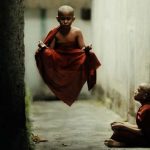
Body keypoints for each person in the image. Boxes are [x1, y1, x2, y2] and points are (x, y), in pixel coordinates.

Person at [35, 5, 101, 106]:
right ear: (58, 19)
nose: (65, 21)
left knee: (90, 55)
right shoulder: (55, 33)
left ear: (73, 19)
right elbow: (51, 51)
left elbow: (81, 48)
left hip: (73, 59)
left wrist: (86, 49)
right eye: (62, 19)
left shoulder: (77, 32)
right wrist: (44, 47)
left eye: (68, 19)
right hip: (59, 59)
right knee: (45, 52)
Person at [104, 83, 150, 147]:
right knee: (117, 126)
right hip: (144, 134)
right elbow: (142, 127)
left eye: (138, 90)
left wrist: (124, 127)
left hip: (147, 140)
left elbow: (143, 132)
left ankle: (122, 144)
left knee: (120, 132)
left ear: (145, 95)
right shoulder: (144, 107)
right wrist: (123, 124)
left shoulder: (147, 109)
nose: (135, 91)